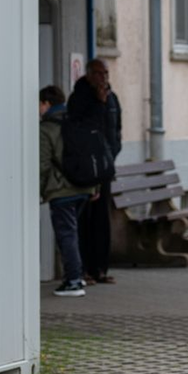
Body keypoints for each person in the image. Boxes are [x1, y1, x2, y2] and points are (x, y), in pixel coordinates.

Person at [40, 85, 98, 297]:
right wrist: (95, 186)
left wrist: (40, 190)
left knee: (66, 235)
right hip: (84, 186)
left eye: (39, 104)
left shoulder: (46, 128)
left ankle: (73, 281)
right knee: (73, 233)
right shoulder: (78, 119)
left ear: (46, 103)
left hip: (61, 189)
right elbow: (93, 152)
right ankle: (78, 274)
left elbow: (43, 164)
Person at [68, 59, 122, 285]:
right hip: (86, 169)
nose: (104, 78)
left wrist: (112, 155)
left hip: (105, 168)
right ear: (89, 74)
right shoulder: (81, 96)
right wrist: (98, 104)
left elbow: (115, 129)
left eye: (106, 73)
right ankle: (84, 271)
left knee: (102, 221)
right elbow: (81, 128)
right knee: (85, 222)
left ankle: (100, 268)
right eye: (99, 73)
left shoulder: (112, 98)